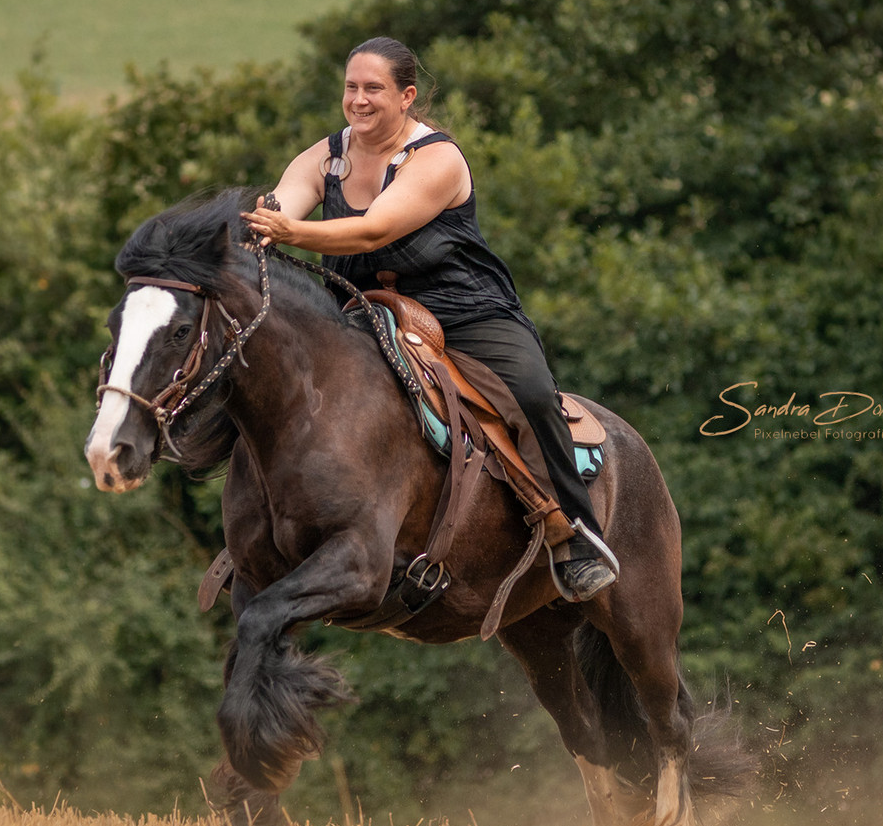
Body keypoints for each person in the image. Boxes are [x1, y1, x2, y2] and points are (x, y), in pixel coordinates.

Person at [241, 36, 617, 601]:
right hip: (358, 311)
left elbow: (374, 229)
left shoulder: (438, 158)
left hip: (465, 311)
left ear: (406, 96)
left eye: (374, 89)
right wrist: (251, 239)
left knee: (534, 394)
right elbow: (281, 207)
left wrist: (293, 234)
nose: (359, 100)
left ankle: (574, 531)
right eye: (351, 88)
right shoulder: (324, 155)